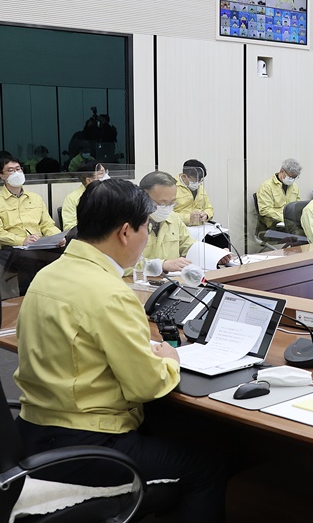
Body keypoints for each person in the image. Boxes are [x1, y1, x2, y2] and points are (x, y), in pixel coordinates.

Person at [14, 178, 226, 521]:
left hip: (32, 431)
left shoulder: (47, 276)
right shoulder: (110, 293)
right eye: (146, 228)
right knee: (206, 466)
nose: (147, 238)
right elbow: (148, 386)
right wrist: (170, 359)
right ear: (126, 232)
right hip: (89, 446)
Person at [140, 171, 195, 272]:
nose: (167, 208)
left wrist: (216, 255)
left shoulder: (173, 218)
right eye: (162, 203)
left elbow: (188, 245)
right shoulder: (129, 223)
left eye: (172, 203)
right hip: (136, 283)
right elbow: (123, 264)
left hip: (172, 281)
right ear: (143, 198)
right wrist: (162, 265)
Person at [0, 156, 61, 247]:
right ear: (1, 175)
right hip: (12, 247)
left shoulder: (35, 198)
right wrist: (22, 241)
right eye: (10, 170)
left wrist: (57, 237)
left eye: (18, 169)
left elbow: (47, 225)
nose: (16, 173)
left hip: (38, 245)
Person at [61, 161, 110, 231]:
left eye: (105, 172)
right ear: (89, 180)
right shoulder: (72, 199)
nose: (106, 176)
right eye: (101, 173)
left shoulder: (110, 194)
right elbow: (69, 228)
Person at [255, 158, 302, 231]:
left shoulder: (294, 186)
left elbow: (298, 206)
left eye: (294, 177)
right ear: (282, 171)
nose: (292, 179)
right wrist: (284, 218)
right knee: (300, 233)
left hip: (291, 221)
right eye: (290, 177)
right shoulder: (267, 186)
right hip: (274, 223)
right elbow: (265, 210)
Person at [175, 159, 214, 226]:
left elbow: (209, 208)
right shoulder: (171, 187)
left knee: (223, 236)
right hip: (179, 227)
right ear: (184, 177)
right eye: (195, 180)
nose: (198, 183)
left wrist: (206, 214)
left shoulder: (200, 187)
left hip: (201, 228)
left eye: (200, 180)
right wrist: (188, 218)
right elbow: (167, 215)